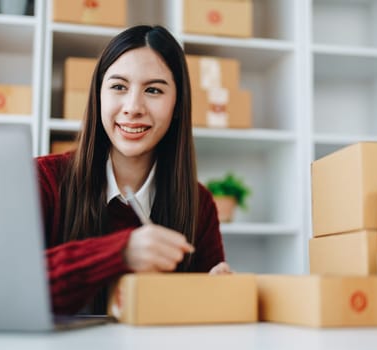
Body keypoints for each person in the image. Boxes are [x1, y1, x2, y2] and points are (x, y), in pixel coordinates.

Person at [36, 24, 231, 316]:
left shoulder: (198, 203)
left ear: (177, 104)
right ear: (98, 96)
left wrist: (215, 296)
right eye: (118, 87)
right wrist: (119, 253)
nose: (133, 107)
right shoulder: (44, 180)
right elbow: (5, 284)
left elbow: (199, 320)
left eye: (153, 90)